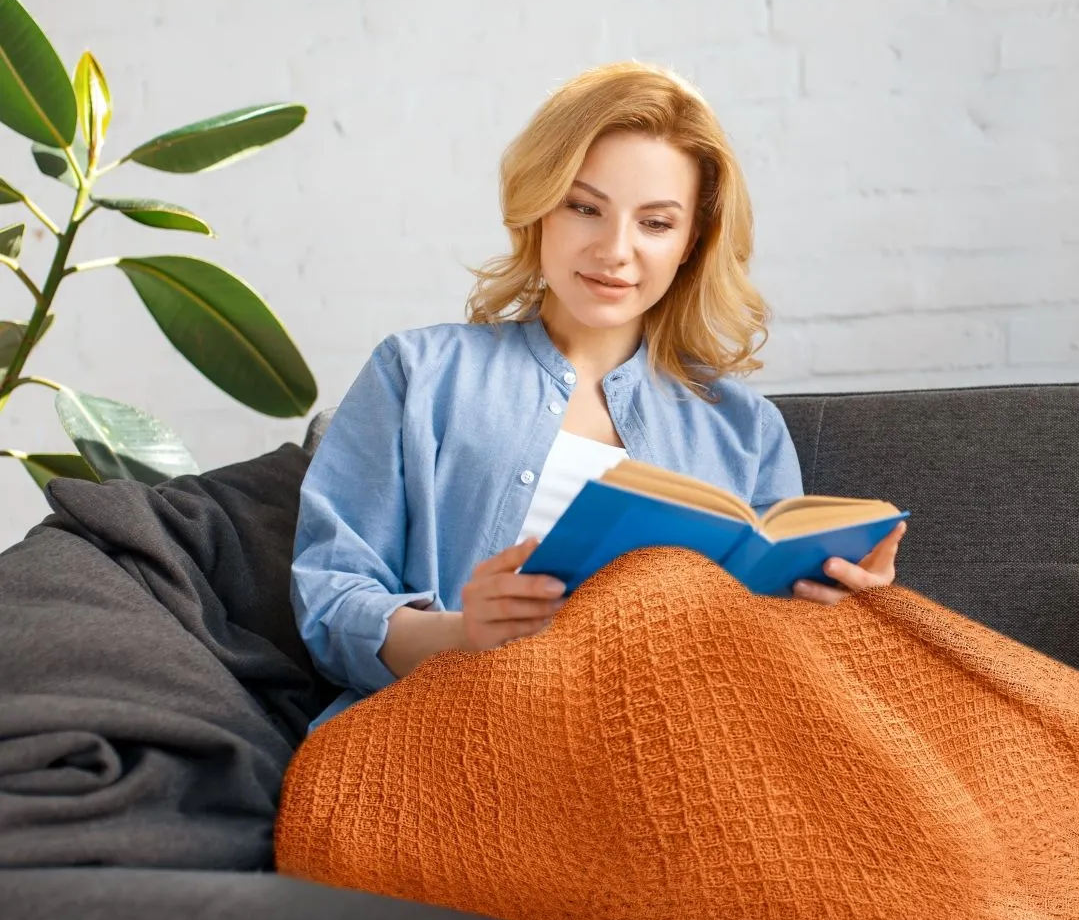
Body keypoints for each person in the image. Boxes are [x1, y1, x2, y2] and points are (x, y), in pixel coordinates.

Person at [291, 60, 909, 732]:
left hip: (670, 746)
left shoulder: (743, 430)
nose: (614, 251)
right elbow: (330, 596)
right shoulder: (418, 372)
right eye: (584, 208)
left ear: (690, 243)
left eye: (654, 223)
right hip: (453, 731)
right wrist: (461, 633)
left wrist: (841, 609)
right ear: (538, 211)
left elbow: (766, 670)